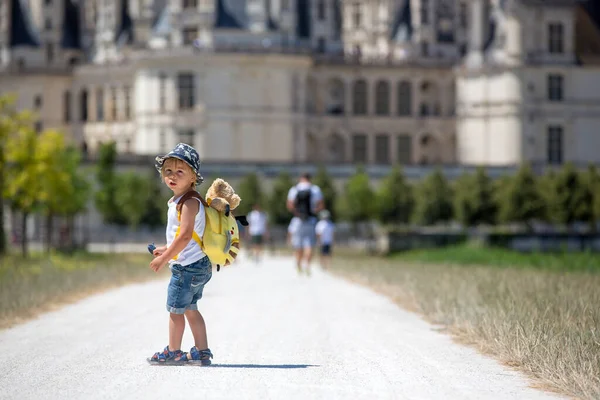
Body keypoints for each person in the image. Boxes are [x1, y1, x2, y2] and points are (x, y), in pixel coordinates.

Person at [147, 143, 214, 365]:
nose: (172, 176)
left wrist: (164, 259)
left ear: (193, 177)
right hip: (197, 265)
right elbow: (186, 237)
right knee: (190, 309)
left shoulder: (189, 202)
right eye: (168, 171)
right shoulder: (183, 200)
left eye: (179, 171)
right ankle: (202, 352)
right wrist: (166, 249)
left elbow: (185, 236)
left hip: (186, 268)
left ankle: (173, 352)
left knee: (176, 311)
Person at [286, 172, 324, 275]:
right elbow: (321, 205)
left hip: (298, 220)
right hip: (310, 220)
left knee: (298, 244)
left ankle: (298, 265)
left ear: (300, 178)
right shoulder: (315, 189)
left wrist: (296, 212)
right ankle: (307, 264)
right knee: (309, 244)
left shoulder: (295, 189)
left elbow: (289, 205)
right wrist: (314, 211)